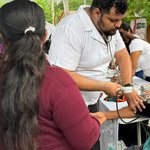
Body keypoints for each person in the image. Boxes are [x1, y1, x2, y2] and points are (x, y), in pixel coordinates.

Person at [0, 1, 100, 150]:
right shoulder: (58, 83)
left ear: (2, 38)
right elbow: (85, 141)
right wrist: (96, 122)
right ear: (45, 36)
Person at [48, 0, 145, 111]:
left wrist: (128, 87)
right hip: (68, 105)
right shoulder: (70, 29)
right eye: (114, 20)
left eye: (120, 20)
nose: (118, 25)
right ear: (97, 13)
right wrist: (103, 86)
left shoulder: (111, 28)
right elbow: (61, 74)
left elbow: (123, 56)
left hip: (93, 101)